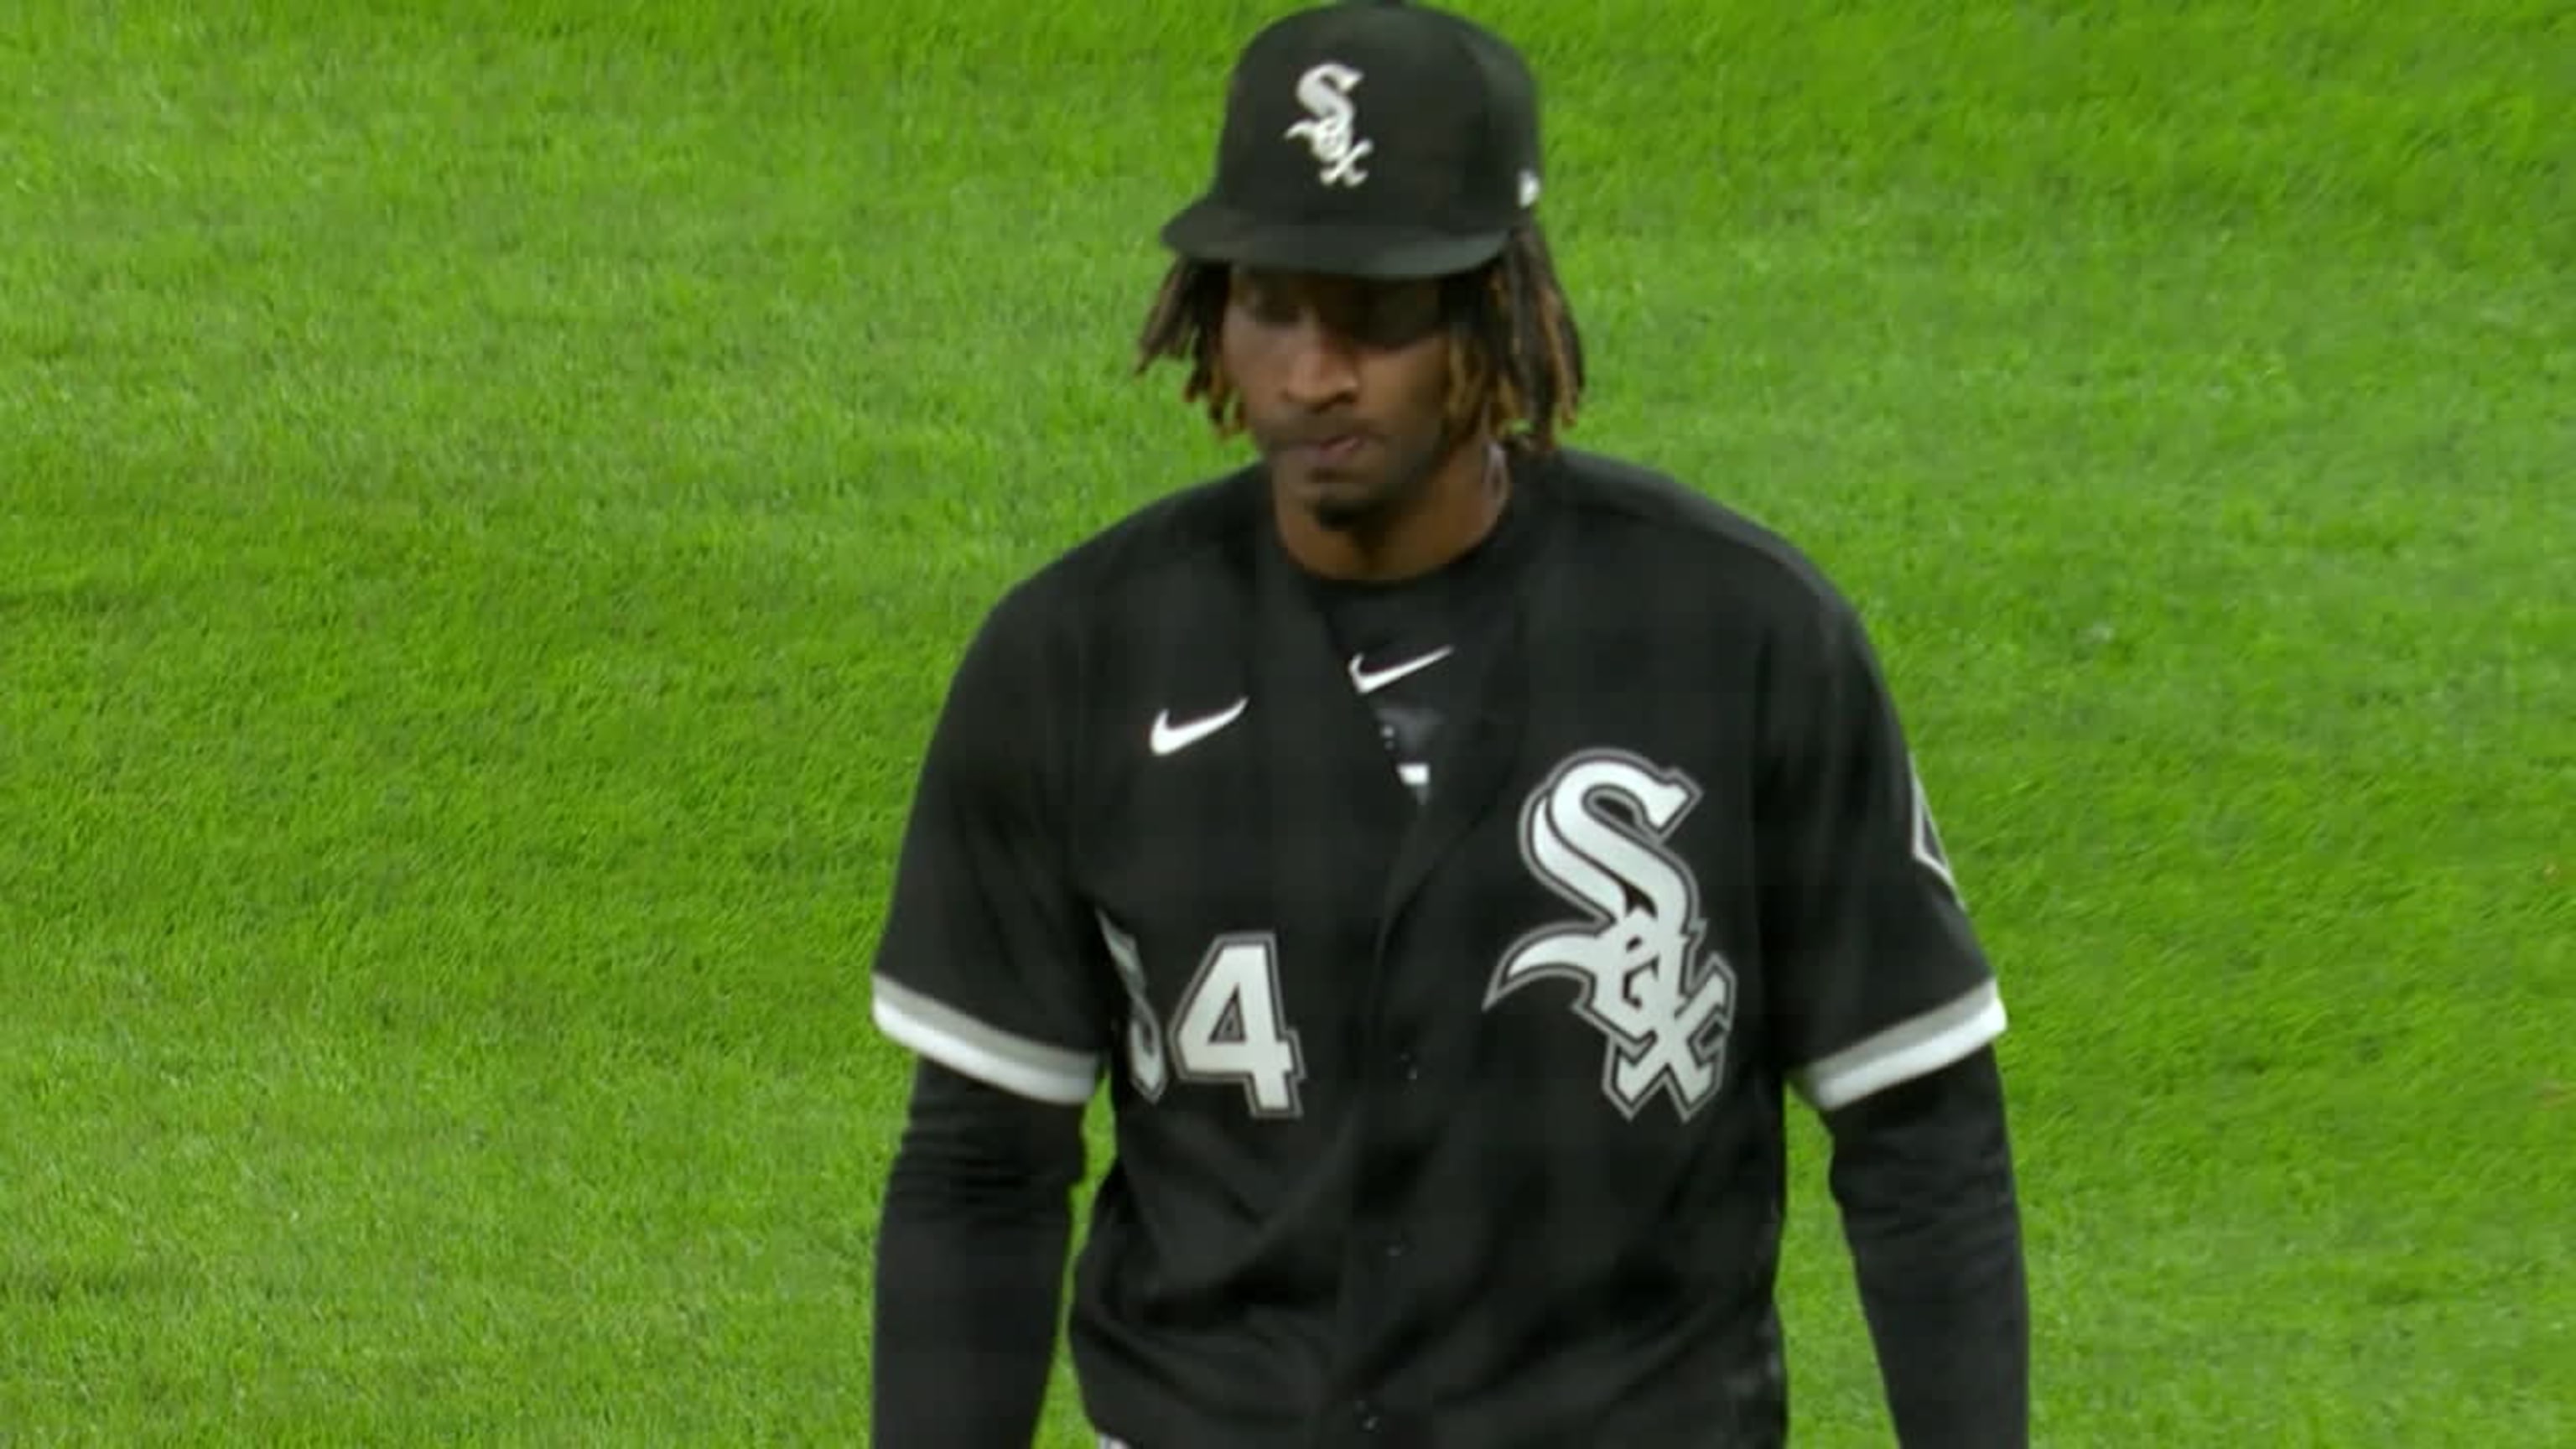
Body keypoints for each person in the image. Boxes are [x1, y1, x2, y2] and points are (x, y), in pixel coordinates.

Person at [866, 3, 2030, 1445]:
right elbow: (983, 1164)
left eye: (1377, 311)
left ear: (1497, 307)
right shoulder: (1080, 657)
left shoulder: (1736, 639)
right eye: (1272, 302)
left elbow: (1921, 1134)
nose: (1312, 373)